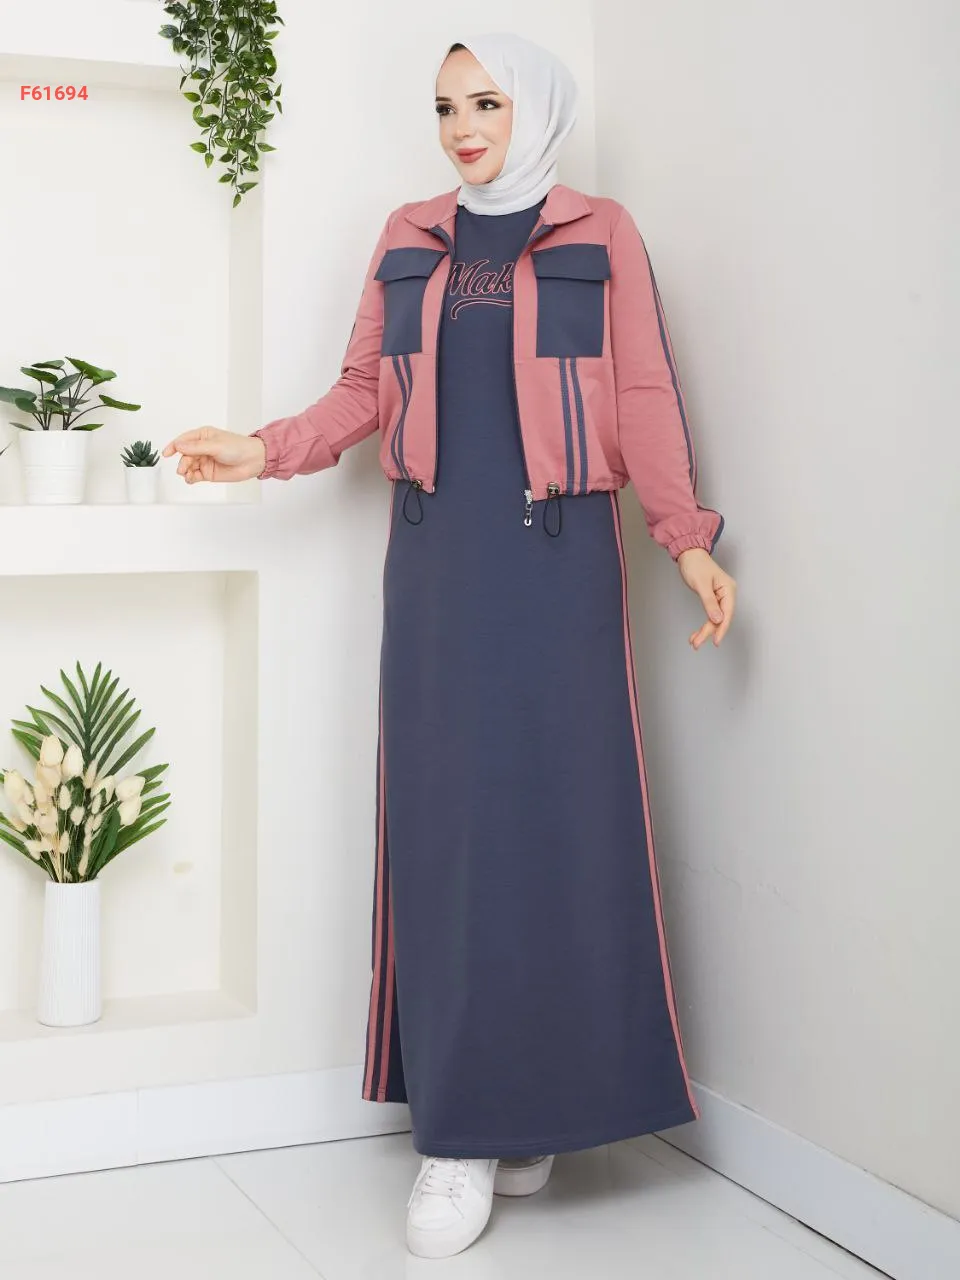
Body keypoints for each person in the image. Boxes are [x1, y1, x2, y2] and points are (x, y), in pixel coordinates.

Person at [163, 31, 737, 1261]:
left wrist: (686, 538)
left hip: (561, 562)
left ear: (537, 110)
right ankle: (460, 1130)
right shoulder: (410, 235)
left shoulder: (602, 232)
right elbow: (363, 391)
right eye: (444, 107)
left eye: (486, 103)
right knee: (450, 825)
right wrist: (264, 447)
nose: (464, 127)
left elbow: (644, 394)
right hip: (437, 563)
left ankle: (535, 1105)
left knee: (562, 821)